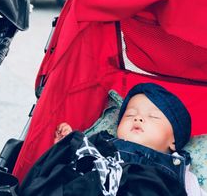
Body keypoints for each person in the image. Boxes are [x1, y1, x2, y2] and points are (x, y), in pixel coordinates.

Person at [53, 83, 206, 196]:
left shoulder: (179, 168)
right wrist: (66, 145)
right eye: (130, 115)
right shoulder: (103, 143)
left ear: (173, 141)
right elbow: (74, 165)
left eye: (153, 117)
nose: (138, 118)